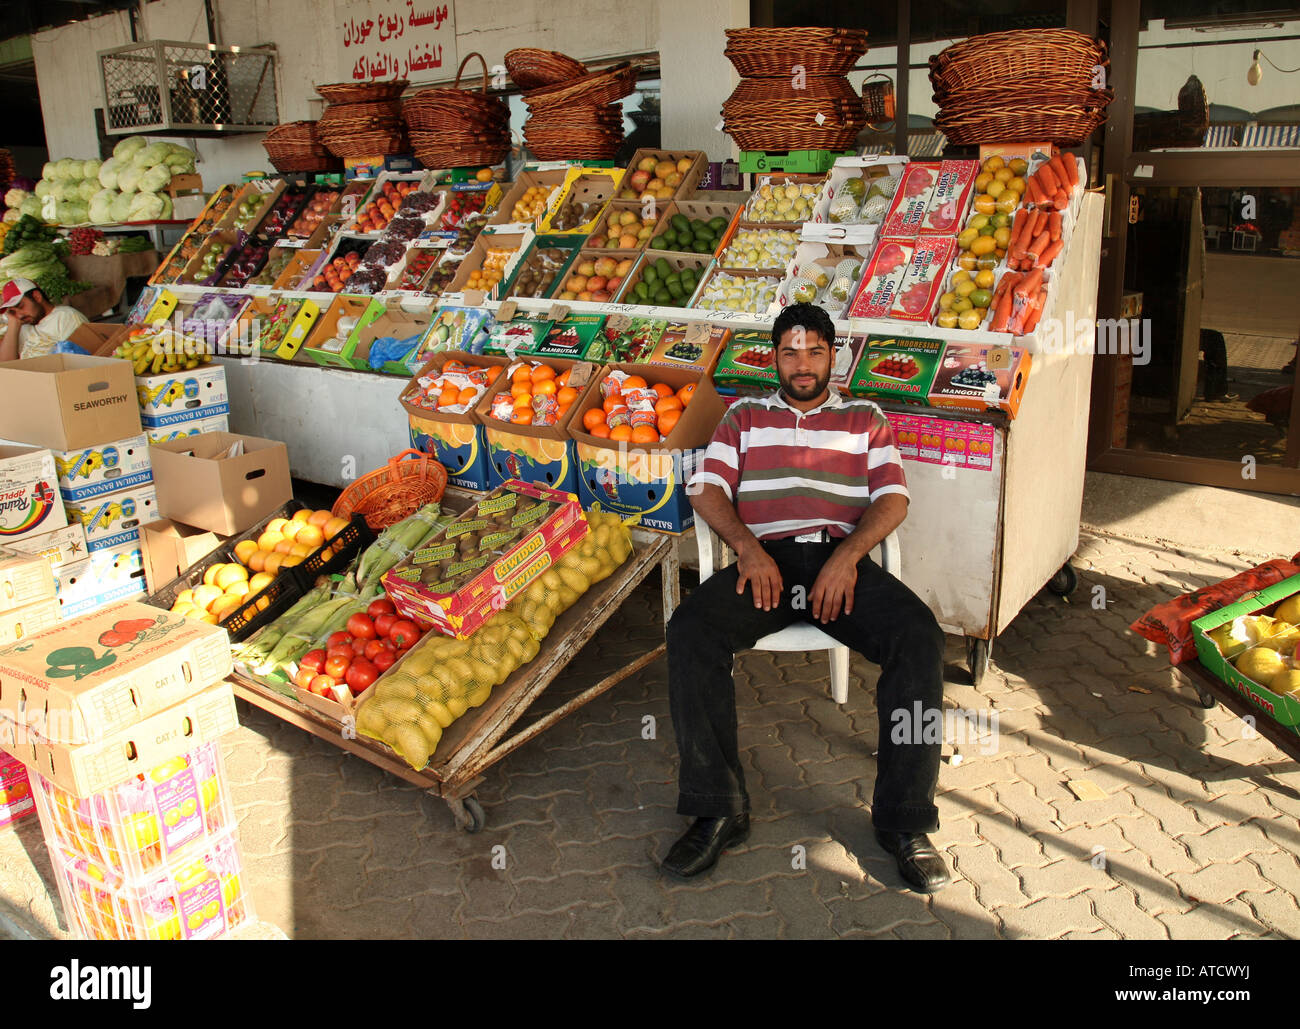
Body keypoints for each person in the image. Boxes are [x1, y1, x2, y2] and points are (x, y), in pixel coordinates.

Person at [662, 302, 950, 893]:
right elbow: (708, 489)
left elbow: (892, 499)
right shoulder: (743, 417)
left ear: (832, 356)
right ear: (774, 357)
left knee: (919, 639)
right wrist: (747, 548)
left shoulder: (865, 418)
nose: (802, 364)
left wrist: (846, 557)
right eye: (790, 352)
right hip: (762, 563)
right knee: (691, 633)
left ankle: (904, 821)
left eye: (814, 351)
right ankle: (719, 808)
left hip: (837, 565)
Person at [0, 277, 87, 362]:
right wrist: (13, 323)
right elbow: (5, 364)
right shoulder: (23, 326)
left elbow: (79, 359)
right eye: (13, 311)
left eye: (20, 306)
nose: (19, 315)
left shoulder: (66, 317)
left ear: (37, 297)